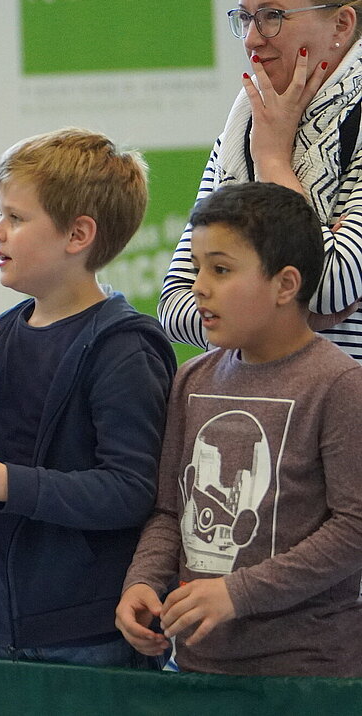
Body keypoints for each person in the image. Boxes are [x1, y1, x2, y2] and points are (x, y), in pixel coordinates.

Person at [0, 128, 175, 668]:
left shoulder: (124, 347)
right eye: (0, 214)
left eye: (15, 217)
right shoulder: (1, 334)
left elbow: (131, 490)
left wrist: (3, 482)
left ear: (78, 234)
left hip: (90, 638)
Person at [119, 182, 362, 676]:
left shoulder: (339, 385)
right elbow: (170, 510)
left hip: (306, 674)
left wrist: (238, 593)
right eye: (196, 268)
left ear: (285, 285)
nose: (199, 286)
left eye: (221, 269)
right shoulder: (191, 379)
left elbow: (353, 528)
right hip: (198, 664)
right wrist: (142, 581)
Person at [161, 0, 362, 361]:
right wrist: (287, 316)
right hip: (253, 394)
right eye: (245, 17)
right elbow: (175, 306)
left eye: (272, 16)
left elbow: (328, 285)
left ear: (342, 25)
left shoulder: (263, 139)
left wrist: (272, 159)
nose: (252, 38)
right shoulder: (244, 130)